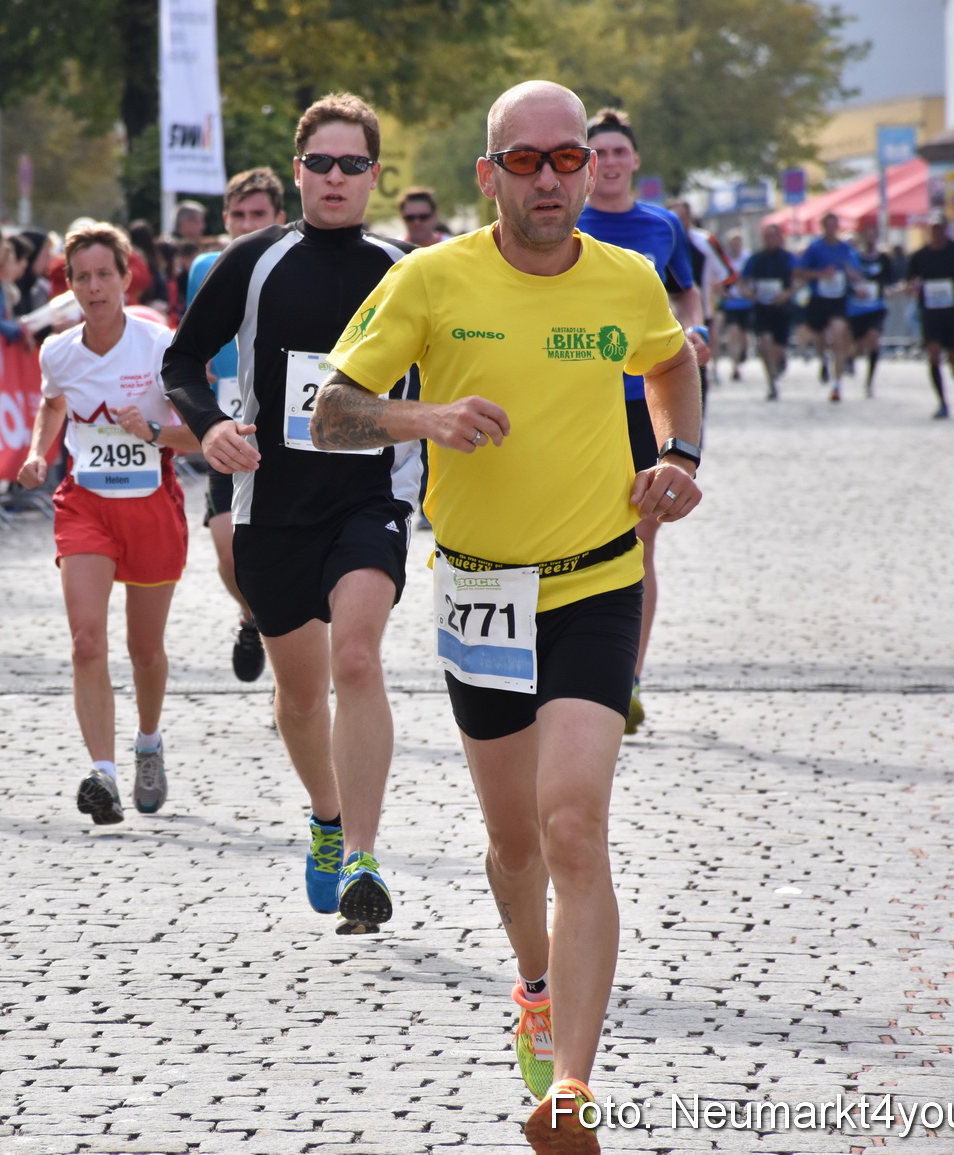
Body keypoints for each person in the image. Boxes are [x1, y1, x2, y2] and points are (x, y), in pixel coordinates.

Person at [310, 79, 700, 1155]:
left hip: (596, 580)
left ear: (591, 168)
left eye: (565, 159)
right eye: (522, 162)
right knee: (514, 841)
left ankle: (570, 1087)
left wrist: (677, 456)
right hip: (482, 592)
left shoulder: (626, 278)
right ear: (489, 176)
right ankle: (533, 982)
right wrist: (420, 413)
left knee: (574, 821)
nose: (548, 179)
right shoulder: (431, 279)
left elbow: (673, 363)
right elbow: (327, 412)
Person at [163, 92, 420, 932]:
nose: (336, 178)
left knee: (355, 657)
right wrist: (212, 429)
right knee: (302, 695)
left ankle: (364, 859)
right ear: (299, 169)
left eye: (353, 164)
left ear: (375, 175)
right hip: (272, 506)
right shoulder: (254, 258)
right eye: (320, 163)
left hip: (367, 498)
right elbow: (182, 361)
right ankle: (326, 815)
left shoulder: (404, 268)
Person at [17, 224, 199, 823]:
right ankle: (104, 774)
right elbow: (53, 401)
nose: (95, 288)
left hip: (150, 505)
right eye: (82, 278)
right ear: (70, 287)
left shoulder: (160, 346)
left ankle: (147, 743)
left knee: (144, 650)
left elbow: (201, 434)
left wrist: (150, 431)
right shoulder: (58, 350)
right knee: (86, 640)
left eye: (104, 275)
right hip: (86, 505)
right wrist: (39, 452)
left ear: (126, 278)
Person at [573, 107, 707, 735]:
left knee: (639, 540)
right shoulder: (567, 219)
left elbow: (687, 291)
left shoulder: (663, 226)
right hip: (581, 396)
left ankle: (625, 679)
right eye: (601, 153)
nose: (613, 163)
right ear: (588, 163)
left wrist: (695, 330)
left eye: (622, 152)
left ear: (634, 161)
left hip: (645, 402)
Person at [183, 166, 286, 683]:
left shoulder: (292, 262)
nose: (248, 225)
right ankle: (251, 615)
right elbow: (190, 345)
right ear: (224, 220)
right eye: (239, 215)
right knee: (227, 549)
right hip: (228, 426)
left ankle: (293, 662)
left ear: (280, 218)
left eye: (259, 215)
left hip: (287, 428)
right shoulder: (205, 267)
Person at [906, 213, 954, 419]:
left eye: (940, 228)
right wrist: (913, 286)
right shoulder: (919, 256)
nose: (937, 232)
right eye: (933, 228)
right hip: (930, 309)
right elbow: (910, 279)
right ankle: (942, 401)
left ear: (946, 229)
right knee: (934, 352)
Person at [796, 212, 862, 403]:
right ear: (823, 227)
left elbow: (854, 271)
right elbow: (799, 272)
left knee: (838, 335)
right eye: (828, 225)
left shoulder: (845, 248)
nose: (832, 228)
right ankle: (822, 358)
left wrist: (855, 281)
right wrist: (821, 274)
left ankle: (837, 384)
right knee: (820, 336)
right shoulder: (815, 248)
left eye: (835, 225)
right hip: (819, 299)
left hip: (838, 299)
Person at [744, 223, 798, 398]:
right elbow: (742, 281)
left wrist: (787, 294)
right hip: (762, 307)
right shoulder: (756, 259)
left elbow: (799, 280)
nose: (771, 239)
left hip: (781, 308)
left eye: (774, 235)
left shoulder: (788, 258)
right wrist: (749, 295)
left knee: (778, 348)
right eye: (768, 236)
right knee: (764, 341)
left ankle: (780, 360)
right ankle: (771, 382)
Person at [848, 222, 899, 397]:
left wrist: (890, 290)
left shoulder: (883, 259)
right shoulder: (854, 257)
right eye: (867, 235)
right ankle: (850, 358)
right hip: (856, 308)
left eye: (873, 235)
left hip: (876, 306)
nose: (870, 239)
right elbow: (847, 278)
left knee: (874, 339)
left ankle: (869, 381)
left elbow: (891, 280)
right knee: (859, 346)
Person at [716, 233, 754, 381]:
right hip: (731, 303)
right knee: (733, 333)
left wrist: (751, 292)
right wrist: (723, 292)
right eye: (733, 242)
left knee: (744, 336)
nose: (736, 245)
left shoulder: (748, 258)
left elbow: (753, 277)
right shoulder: (724, 259)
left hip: (746, 302)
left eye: (738, 242)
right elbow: (718, 277)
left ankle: (743, 352)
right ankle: (735, 366)